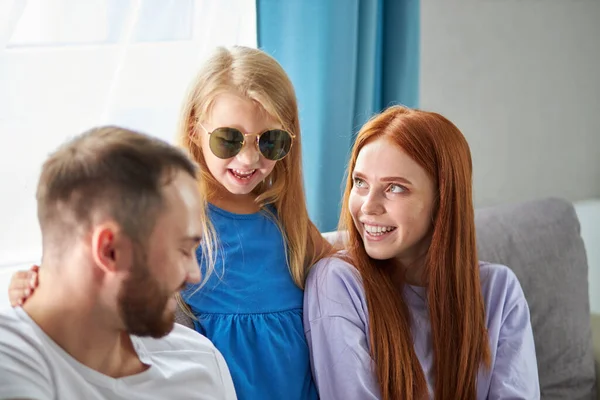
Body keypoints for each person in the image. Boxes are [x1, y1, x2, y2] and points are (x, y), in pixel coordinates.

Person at [7, 46, 335, 400]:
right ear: (195, 129)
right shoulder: (172, 220)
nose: (249, 157)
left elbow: (343, 278)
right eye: (229, 139)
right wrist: (33, 287)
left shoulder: (291, 226)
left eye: (271, 141)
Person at [303, 106, 540, 399]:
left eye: (395, 188)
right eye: (360, 182)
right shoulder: (337, 282)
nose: (367, 206)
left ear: (444, 200)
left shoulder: (499, 292)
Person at [0, 126, 237, 400]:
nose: (194, 275)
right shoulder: (11, 368)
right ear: (110, 250)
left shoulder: (200, 361)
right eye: (183, 250)